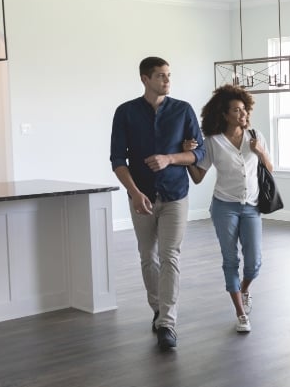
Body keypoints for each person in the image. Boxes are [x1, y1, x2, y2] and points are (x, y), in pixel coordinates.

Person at [110, 56, 205, 351]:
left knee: (170, 256)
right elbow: (117, 159)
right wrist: (135, 192)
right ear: (144, 78)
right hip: (142, 196)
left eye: (169, 75)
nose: (167, 80)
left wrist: (171, 158)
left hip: (176, 194)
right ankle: (157, 309)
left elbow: (198, 154)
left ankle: (167, 322)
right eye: (161, 76)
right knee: (147, 256)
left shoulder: (183, 110)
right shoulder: (125, 112)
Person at [185, 84, 269, 333]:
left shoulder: (255, 135)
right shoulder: (213, 141)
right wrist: (186, 157)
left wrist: (260, 151)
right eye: (236, 110)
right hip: (224, 207)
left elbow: (270, 168)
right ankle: (241, 313)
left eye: (244, 109)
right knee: (231, 259)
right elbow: (199, 176)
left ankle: (244, 290)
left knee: (254, 263)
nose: (243, 114)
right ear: (224, 114)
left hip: (252, 206)